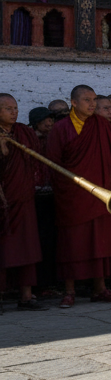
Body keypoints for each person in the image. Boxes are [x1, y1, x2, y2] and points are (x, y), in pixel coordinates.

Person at [46, 85, 111, 309]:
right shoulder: (61, 128)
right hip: (72, 195)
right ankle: (69, 291)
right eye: (86, 100)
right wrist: (66, 189)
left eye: (93, 100)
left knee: (99, 241)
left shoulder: (101, 125)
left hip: (100, 193)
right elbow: (53, 161)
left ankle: (100, 288)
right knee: (72, 243)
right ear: (73, 102)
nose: (91, 104)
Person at [0, 94, 47, 310]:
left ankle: (27, 296)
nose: (14, 112)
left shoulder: (23, 133)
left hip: (24, 197)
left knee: (27, 246)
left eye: (15, 108)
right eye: (8, 108)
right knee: (4, 247)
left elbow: (35, 156)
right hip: (3, 201)